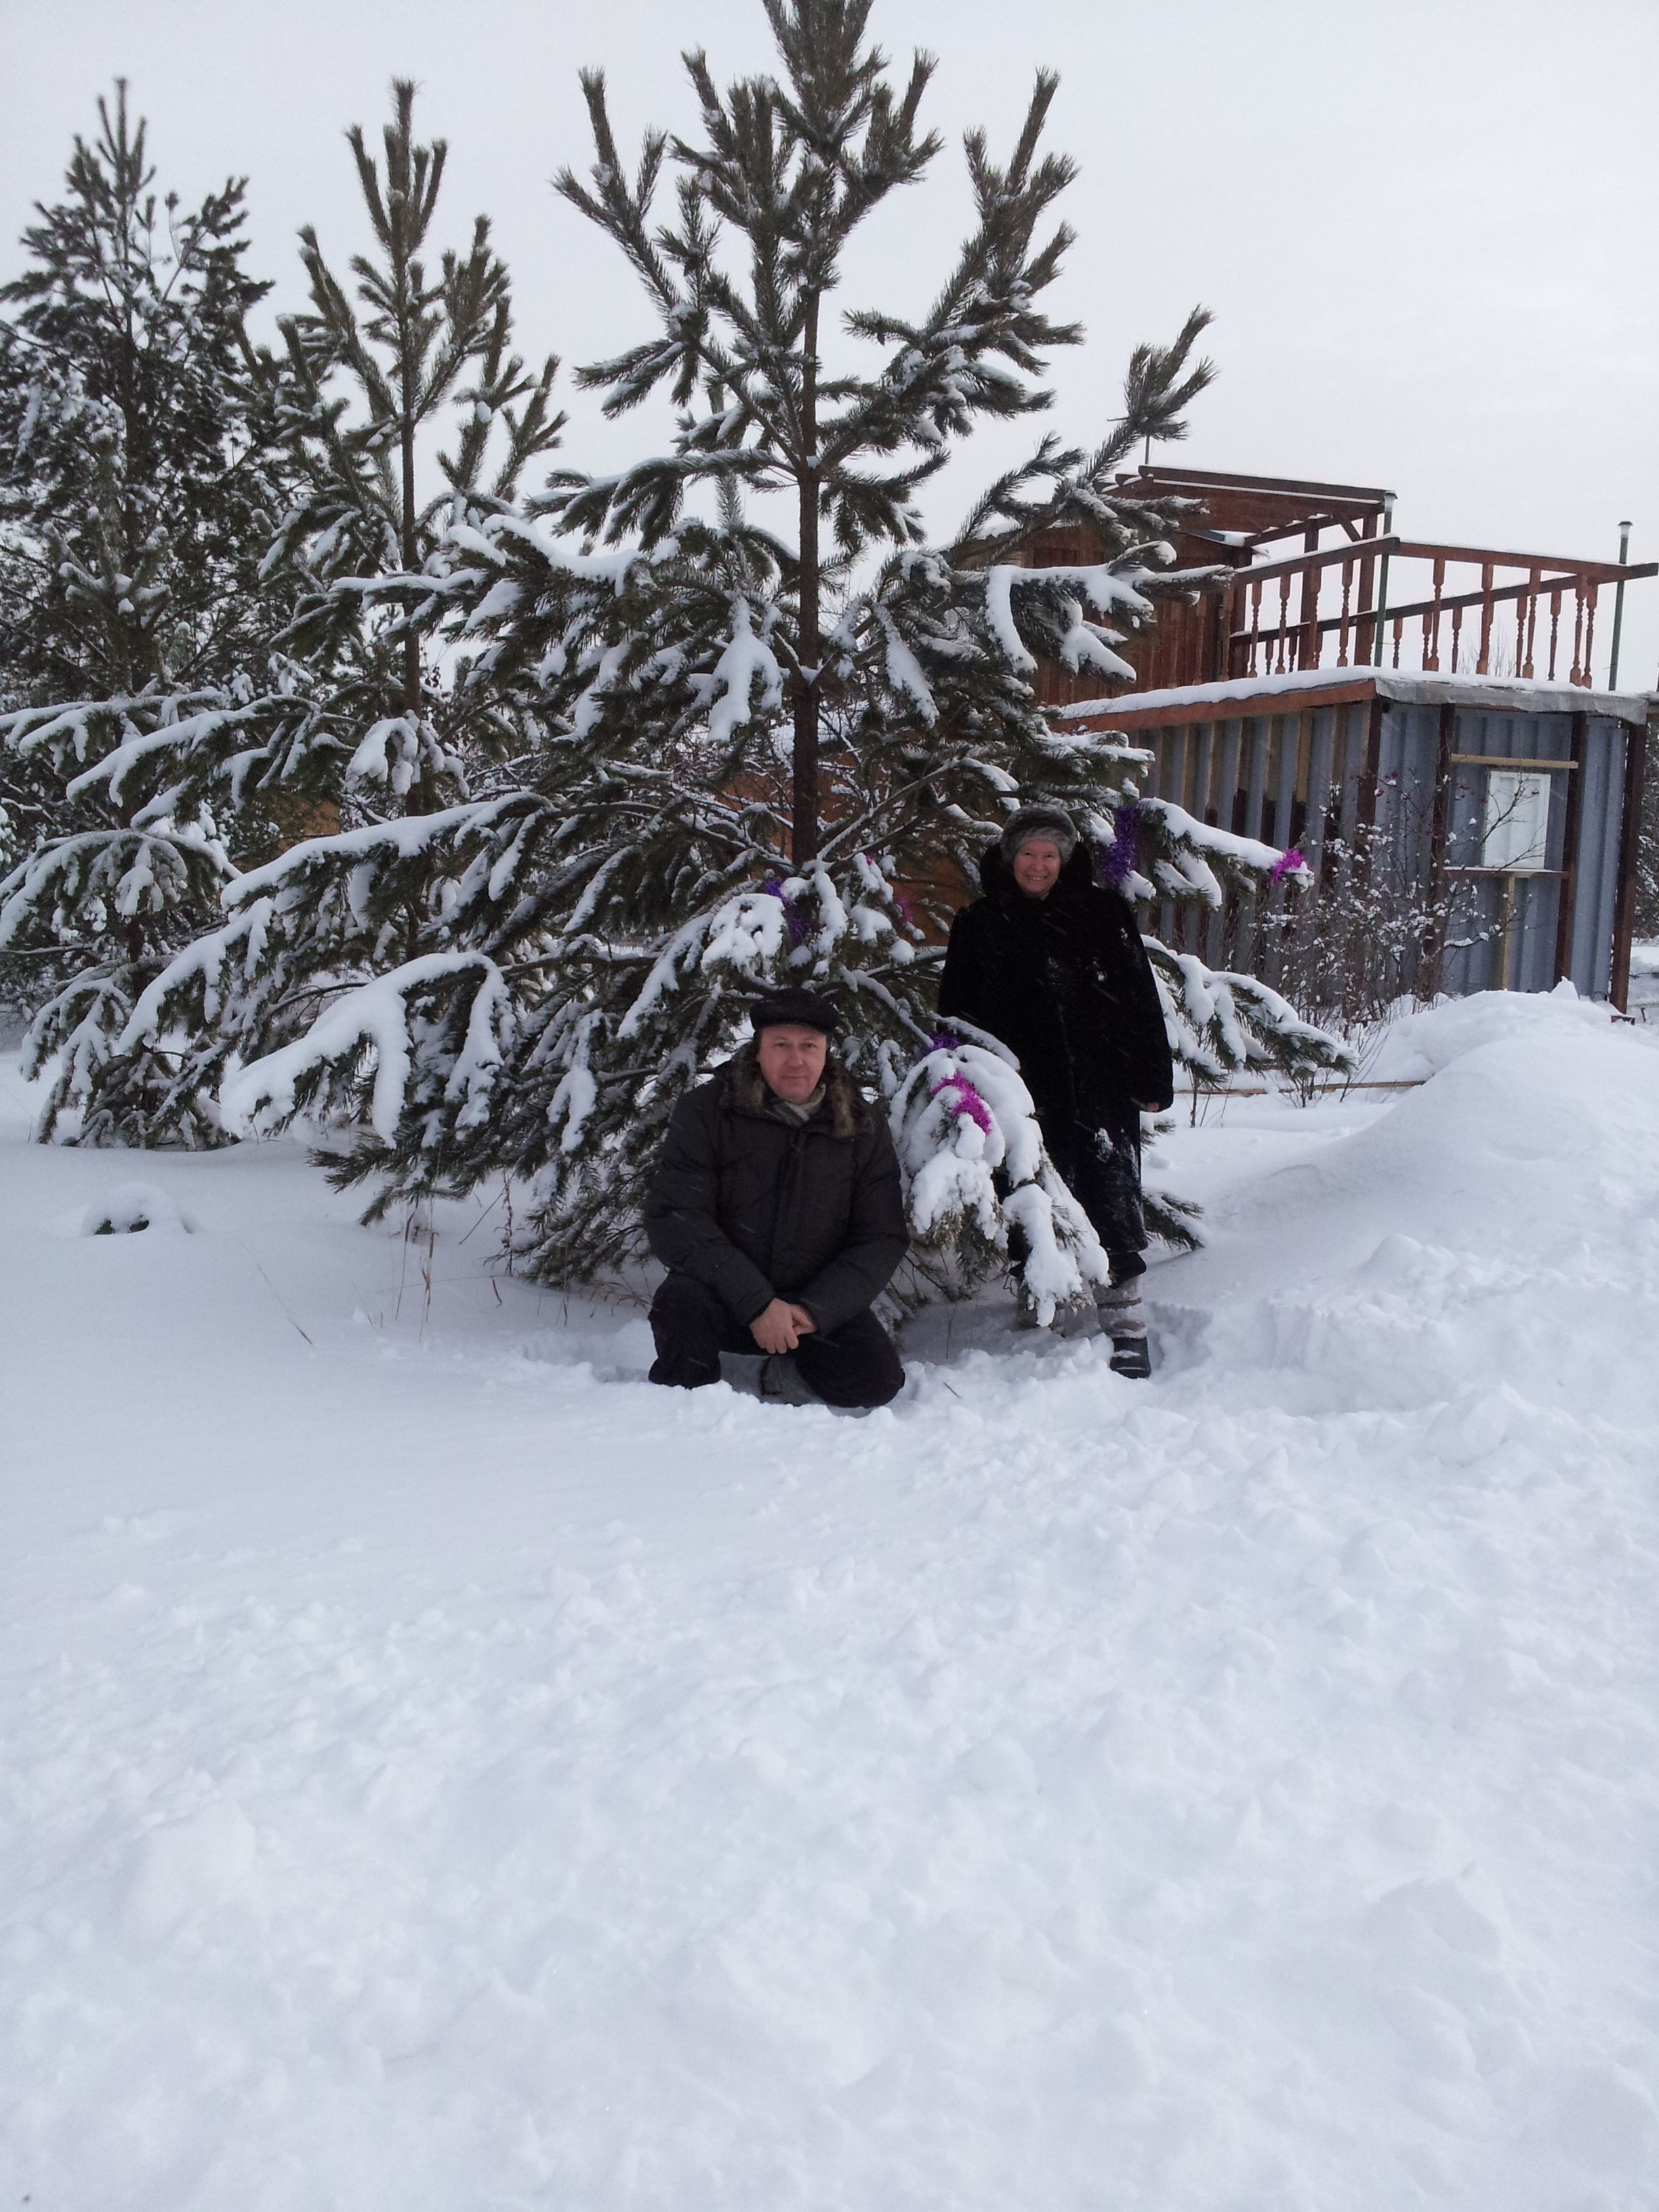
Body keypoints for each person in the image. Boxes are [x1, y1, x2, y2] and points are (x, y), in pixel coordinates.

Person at [938, 803, 1175, 1376]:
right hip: (1018, 1094)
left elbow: (1138, 995)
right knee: (1029, 1193)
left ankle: (1125, 1321)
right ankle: (1039, 1301)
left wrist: (1151, 1077)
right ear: (1009, 857)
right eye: (1029, 854)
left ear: (1065, 860)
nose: (1039, 865)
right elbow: (954, 1017)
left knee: (1108, 1195)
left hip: (1099, 1084)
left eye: (1050, 855)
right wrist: (960, 1085)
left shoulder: (1102, 912)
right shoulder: (980, 923)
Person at [643, 987, 908, 1409]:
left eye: (809, 1046)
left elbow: (880, 1237)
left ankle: (777, 1370)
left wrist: (815, 1311)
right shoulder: (708, 1111)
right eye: (781, 1045)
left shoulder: (862, 1126)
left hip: (811, 1307)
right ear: (758, 1051)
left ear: (826, 1053)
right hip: (724, 1294)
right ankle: (688, 1418)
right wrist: (757, 1303)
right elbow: (678, 1217)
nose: (796, 1059)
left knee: (875, 1383)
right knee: (681, 1310)